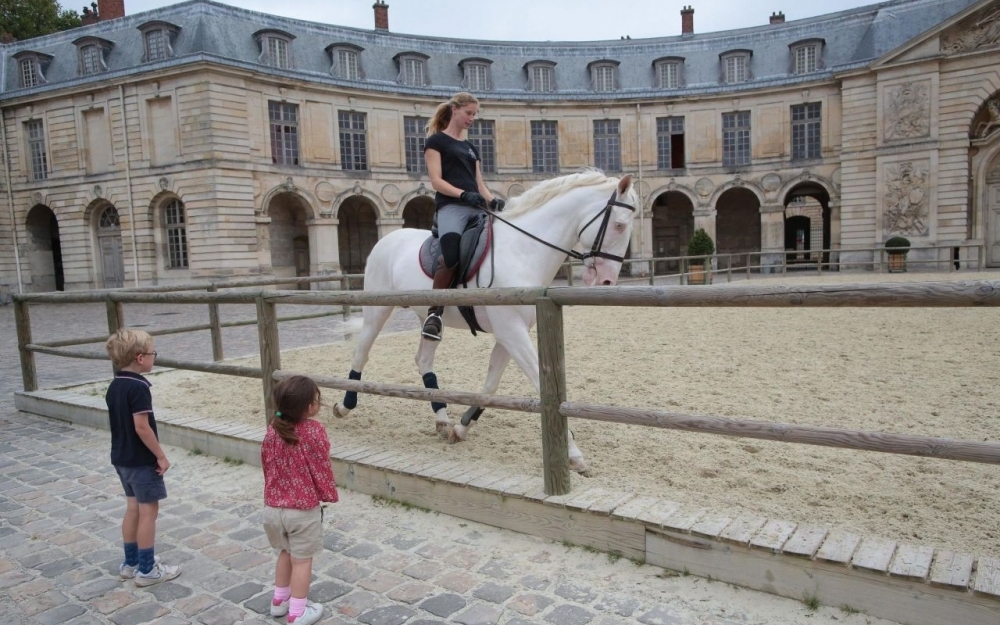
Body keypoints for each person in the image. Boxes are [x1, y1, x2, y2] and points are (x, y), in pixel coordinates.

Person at [422, 91, 506, 341]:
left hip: (476, 207)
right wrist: (462, 195)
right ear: (455, 110)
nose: (472, 118)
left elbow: (479, 183)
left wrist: (493, 200)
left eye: (474, 114)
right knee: (450, 252)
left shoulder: (470, 148)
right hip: (451, 207)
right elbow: (436, 181)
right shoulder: (436, 142)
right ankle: (434, 314)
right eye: (469, 113)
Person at [104, 328, 181, 587]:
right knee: (149, 512)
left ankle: (131, 562)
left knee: (132, 509)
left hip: (121, 459)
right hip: (140, 460)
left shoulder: (115, 385)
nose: (153, 358)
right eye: (152, 354)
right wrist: (160, 455)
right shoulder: (139, 388)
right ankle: (147, 570)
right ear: (139, 358)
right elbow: (142, 427)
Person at [261, 375, 339, 625]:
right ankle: (297, 612)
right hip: (302, 510)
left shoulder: (273, 429)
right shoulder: (313, 431)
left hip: (273, 508)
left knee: (284, 552)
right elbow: (321, 466)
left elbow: (267, 464)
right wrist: (327, 493)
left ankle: (279, 601)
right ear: (309, 407)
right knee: (302, 561)